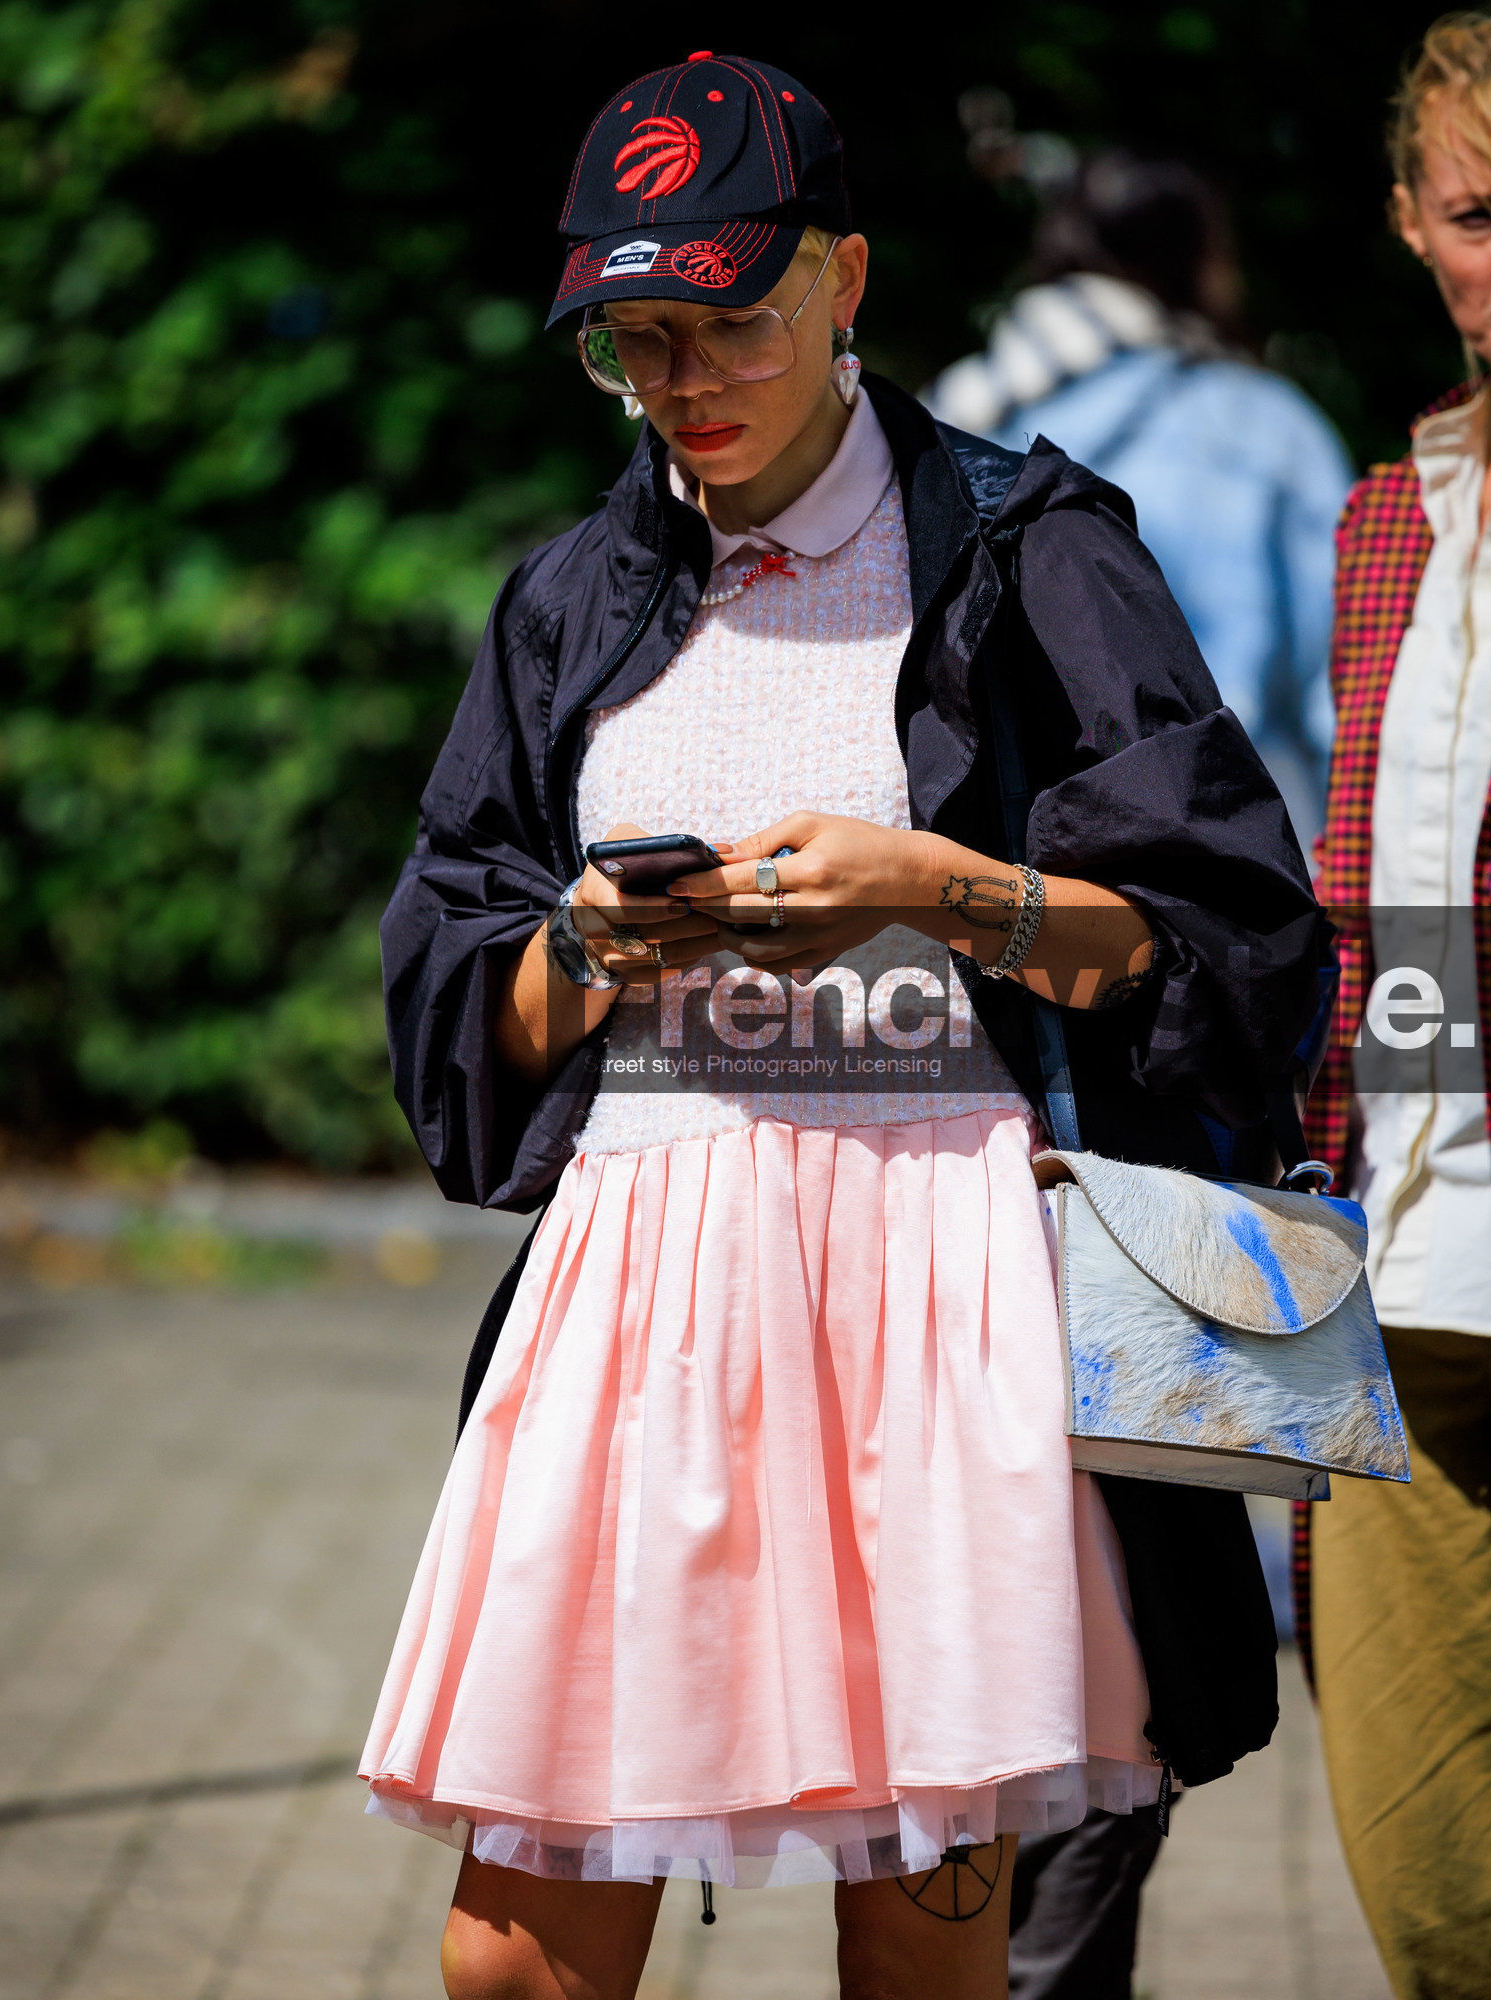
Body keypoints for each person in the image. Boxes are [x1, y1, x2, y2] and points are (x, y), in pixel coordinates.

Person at [361, 51, 1319, 2000]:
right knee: (509, 1960)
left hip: (938, 1292)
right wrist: (591, 946)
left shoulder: (1029, 548)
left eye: (729, 320)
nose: (683, 381)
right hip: (640, 1293)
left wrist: (939, 888)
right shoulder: (570, 601)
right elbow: (463, 1016)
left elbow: (1226, 944)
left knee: (915, 1952)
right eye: (632, 340)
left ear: (848, 278)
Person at [1300, 17, 1491, 1995]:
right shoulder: (1387, 522)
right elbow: (1386, 913)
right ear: (1411, 227)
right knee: (1430, 1888)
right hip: (1404, 1258)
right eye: (1482, 212)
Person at [927, 153, 1353, 850]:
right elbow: (1343, 685)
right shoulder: (1266, 426)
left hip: (1019, 864)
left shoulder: (955, 421)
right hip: (1245, 857)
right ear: (1198, 262)